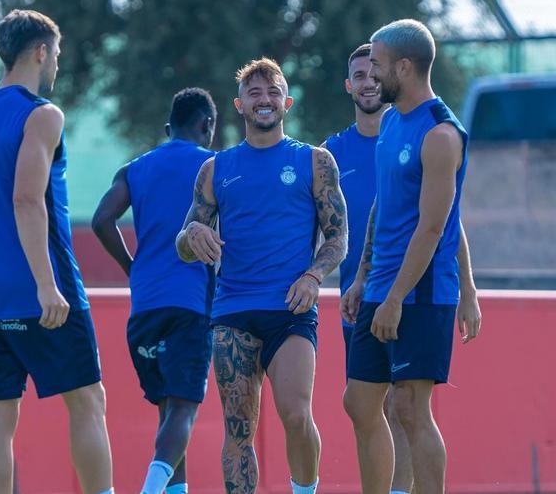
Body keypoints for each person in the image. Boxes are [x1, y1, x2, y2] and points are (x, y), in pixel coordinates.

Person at [0, 9, 114, 494]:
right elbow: (26, 199)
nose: (57, 66)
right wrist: (47, 285)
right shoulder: (42, 114)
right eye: (57, 55)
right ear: (41, 52)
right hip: (41, 287)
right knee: (88, 401)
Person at [176, 57, 348, 494]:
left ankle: (304, 489)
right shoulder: (216, 168)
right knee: (238, 430)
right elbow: (183, 244)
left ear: (286, 102)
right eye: (255, 93)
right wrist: (192, 232)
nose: (265, 99)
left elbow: (338, 236)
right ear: (239, 105)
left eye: (273, 92)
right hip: (232, 313)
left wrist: (314, 276)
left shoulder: (315, 161)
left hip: (291, 309)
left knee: (296, 416)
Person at [327, 43, 481, 494]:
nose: (371, 76)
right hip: (377, 287)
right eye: (364, 68)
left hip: (420, 293)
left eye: (377, 65)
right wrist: (361, 277)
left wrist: (398, 298)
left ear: (404, 66)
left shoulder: (440, 134)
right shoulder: (393, 121)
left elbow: (438, 226)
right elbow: (384, 207)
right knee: (359, 402)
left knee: (411, 407)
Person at [92, 87, 217, 494]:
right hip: (191, 303)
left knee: (168, 411)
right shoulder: (215, 166)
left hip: (144, 307)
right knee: (183, 409)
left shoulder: (135, 169)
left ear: (169, 129)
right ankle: (149, 489)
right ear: (207, 125)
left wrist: (133, 268)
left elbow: (101, 220)